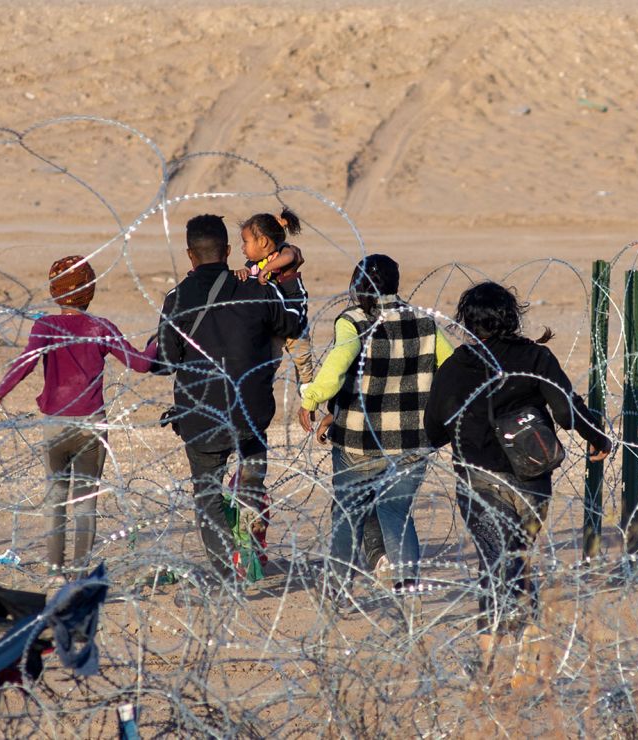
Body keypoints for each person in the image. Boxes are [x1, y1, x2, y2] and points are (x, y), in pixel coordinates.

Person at [424, 281, 611, 643]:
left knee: (495, 559)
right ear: (511, 316)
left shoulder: (455, 366)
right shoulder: (534, 357)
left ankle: (497, 641)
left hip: (478, 476)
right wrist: (597, 438)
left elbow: (434, 429)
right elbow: (566, 410)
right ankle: (528, 634)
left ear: (466, 321)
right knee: (516, 554)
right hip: (531, 476)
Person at [0, 256, 157, 582]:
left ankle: (55, 572)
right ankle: (80, 575)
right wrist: (158, 342)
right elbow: (141, 364)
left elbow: (26, 363)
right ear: (90, 292)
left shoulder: (45, 326)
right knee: (85, 506)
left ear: (55, 292)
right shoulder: (99, 327)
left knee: (56, 502)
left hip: (55, 426)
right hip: (92, 426)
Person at [152, 214, 305, 581]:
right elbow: (293, 323)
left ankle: (225, 572)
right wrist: (288, 275)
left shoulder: (177, 299)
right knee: (252, 479)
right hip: (250, 412)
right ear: (228, 251)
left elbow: (166, 362)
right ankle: (250, 527)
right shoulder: (257, 289)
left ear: (190, 255)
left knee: (207, 495)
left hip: (201, 414)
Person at [299, 254, 453, 597]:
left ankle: (337, 590)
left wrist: (312, 399)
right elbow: (452, 366)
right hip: (412, 440)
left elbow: (337, 367)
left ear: (357, 286)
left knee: (348, 516)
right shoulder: (424, 321)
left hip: (359, 440)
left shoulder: (352, 321)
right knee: (397, 513)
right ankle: (407, 589)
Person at [235, 209, 314, 389]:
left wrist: (267, 269)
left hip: (295, 319)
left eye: (245, 242)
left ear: (262, 241)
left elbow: (290, 257)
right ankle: (262, 392)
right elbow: (249, 274)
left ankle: (308, 399)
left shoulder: (283, 250)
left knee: (303, 363)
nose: (242, 247)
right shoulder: (253, 264)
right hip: (274, 322)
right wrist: (243, 272)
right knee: (269, 362)